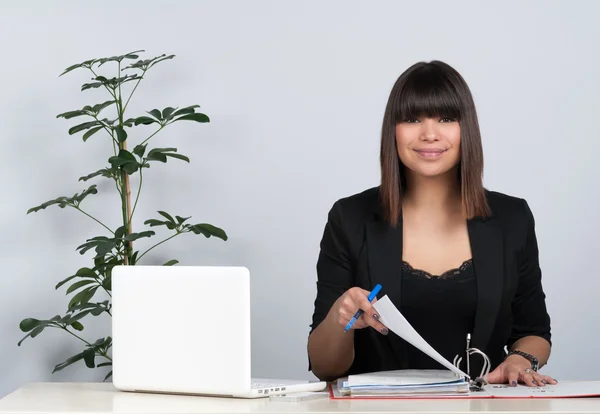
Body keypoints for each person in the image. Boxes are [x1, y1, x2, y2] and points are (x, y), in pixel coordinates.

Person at [307, 60, 557, 388]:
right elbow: (324, 367)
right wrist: (342, 315)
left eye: (446, 118)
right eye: (412, 118)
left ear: (466, 128)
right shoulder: (349, 218)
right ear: (392, 130)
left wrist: (518, 360)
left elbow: (534, 332)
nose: (429, 133)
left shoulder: (512, 218)